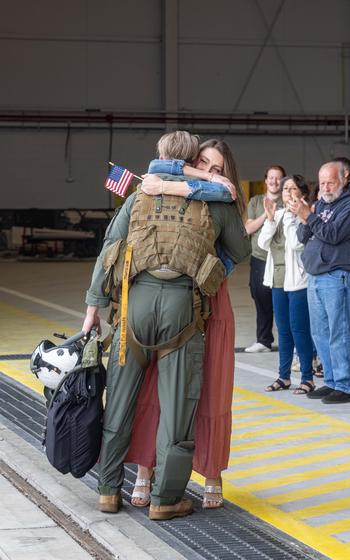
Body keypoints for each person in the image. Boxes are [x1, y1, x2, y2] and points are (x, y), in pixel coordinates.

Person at [83, 131, 251, 520]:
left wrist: (92, 307)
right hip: (182, 308)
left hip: (133, 308)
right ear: (191, 162)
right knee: (178, 408)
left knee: (121, 403)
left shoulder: (141, 194)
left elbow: (110, 249)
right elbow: (241, 249)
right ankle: (165, 499)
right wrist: (208, 266)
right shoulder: (216, 201)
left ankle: (108, 491)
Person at [127, 138, 248, 509]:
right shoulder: (171, 186)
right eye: (203, 164)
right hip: (174, 301)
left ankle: (212, 474)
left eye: (218, 170)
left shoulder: (222, 199)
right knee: (157, 387)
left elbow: (239, 249)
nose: (211, 174)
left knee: (212, 387)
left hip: (211, 301)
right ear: (191, 163)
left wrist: (209, 272)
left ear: (226, 175)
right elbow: (157, 168)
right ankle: (145, 471)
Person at [292, 161, 350, 403]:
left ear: (345, 179)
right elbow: (302, 236)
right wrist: (305, 217)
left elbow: (333, 235)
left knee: (339, 332)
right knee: (320, 333)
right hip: (315, 276)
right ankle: (331, 381)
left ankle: (345, 385)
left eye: (331, 182)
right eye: (322, 183)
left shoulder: (346, 205)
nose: (325, 187)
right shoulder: (318, 204)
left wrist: (310, 217)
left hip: (335, 275)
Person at [258, 174, 315, 394]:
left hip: (298, 282)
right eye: (285, 189)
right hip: (277, 280)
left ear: (302, 194)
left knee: (299, 329)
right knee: (283, 331)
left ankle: (308, 378)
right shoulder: (278, 214)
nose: (288, 193)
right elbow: (263, 243)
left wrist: (294, 215)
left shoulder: (305, 215)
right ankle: (284, 377)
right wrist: (271, 220)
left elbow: (295, 244)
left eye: (293, 189)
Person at [244, 165, 285, 353]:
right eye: (271, 177)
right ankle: (263, 340)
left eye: (278, 178)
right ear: (265, 180)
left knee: (284, 302)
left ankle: (289, 343)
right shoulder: (256, 201)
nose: (274, 181)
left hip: (281, 261)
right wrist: (267, 213)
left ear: (282, 181)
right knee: (261, 299)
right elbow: (248, 229)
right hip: (259, 258)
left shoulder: (288, 201)